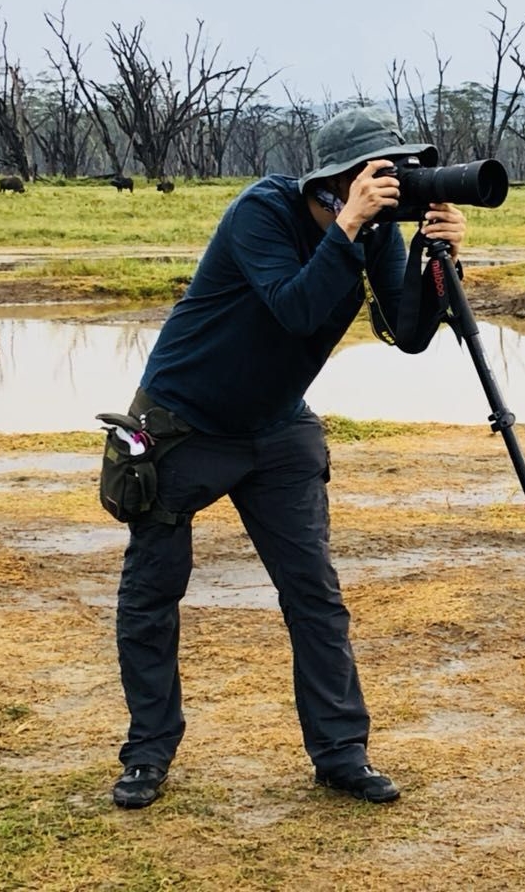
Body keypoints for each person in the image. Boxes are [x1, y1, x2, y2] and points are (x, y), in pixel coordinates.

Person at [109, 106, 466, 809]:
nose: (387, 182)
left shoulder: (369, 233)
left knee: (316, 596)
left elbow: (409, 333)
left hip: (277, 428)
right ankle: (147, 754)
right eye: (375, 171)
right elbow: (296, 309)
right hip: (185, 422)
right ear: (332, 180)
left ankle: (341, 756)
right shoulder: (262, 213)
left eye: (393, 170)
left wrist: (437, 257)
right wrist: (348, 230)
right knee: (153, 594)